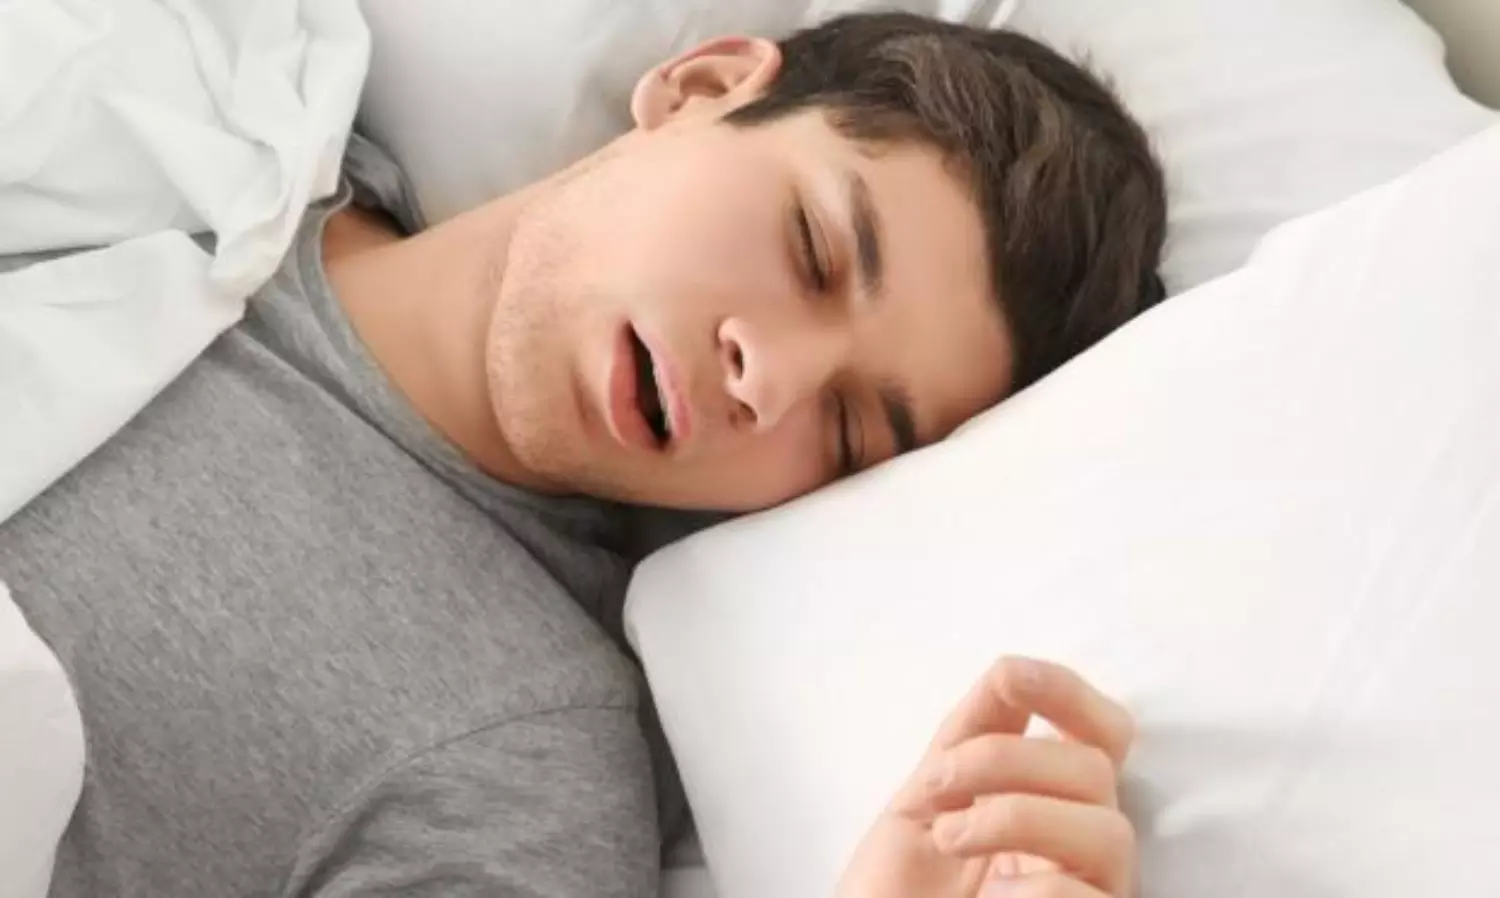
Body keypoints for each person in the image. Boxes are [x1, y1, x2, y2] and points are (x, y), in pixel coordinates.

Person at [0, 11, 1165, 898]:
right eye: (811, 249)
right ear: (703, 89)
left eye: (851, 430)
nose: (770, 380)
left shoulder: (516, 759)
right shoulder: (192, 91)